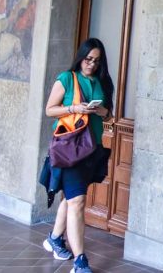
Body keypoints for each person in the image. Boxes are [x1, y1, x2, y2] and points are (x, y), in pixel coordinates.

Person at [39, 39, 114, 273]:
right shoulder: (67, 78)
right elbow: (50, 109)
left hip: (91, 149)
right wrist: (75, 108)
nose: (91, 64)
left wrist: (101, 111)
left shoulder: (102, 82)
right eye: (88, 59)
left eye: (96, 60)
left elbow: (109, 117)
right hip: (70, 149)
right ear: (80, 56)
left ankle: (54, 239)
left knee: (72, 199)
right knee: (78, 202)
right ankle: (80, 262)